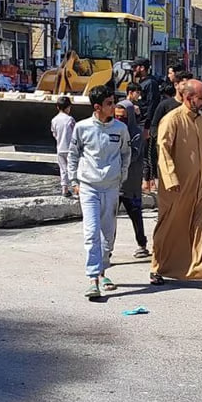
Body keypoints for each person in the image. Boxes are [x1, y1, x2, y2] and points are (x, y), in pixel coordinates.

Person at [150, 80, 202, 292]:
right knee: (170, 227)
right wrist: (170, 179)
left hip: (201, 184)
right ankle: (158, 267)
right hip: (177, 186)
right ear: (189, 99)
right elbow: (163, 150)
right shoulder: (172, 119)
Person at [67, 85, 131, 298]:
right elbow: (73, 154)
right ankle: (93, 277)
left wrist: (121, 176)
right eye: (109, 104)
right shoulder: (82, 128)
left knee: (108, 234)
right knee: (91, 232)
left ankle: (103, 271)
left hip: (111, 187)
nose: (114, 107)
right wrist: (74, 180)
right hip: (89, 187)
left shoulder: (120, 129)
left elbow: (126, 153)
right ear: (97, 107)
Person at [115, 103, 149, 258]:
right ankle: (107, 248)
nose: (119, 119)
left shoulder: (136, 134)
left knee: (135, 215)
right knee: (109, 218)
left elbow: (133, 156)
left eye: (122, 117)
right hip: (114, 183)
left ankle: (142, 244)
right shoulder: (112, 131)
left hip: (131, 184)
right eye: (116, 116)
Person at [132, 58, 162, 187]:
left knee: (148, 153)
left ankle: (150, 181)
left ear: (142, 68)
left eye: (135, 67)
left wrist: (148, 126)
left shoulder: (150, 83)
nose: (133, 70)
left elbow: (151, 105)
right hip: (141, 121)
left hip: (146, 123)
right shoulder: (142, 83)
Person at [52, 97, 77, 197]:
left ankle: (64, 189)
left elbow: (54, 134)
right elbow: (75, 133)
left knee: (63, 169)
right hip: (70, 148)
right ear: (69, 107)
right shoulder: (70, 119)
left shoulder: (54, 120)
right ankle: (76, 189)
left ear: (57, 107)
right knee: (74, 169)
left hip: (60, 148)